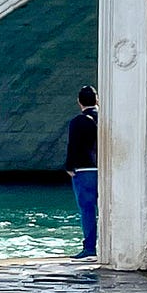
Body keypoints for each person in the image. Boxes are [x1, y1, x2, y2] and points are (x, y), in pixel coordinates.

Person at [64, 86, 99, 259]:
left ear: (79, 102)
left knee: (87, 209)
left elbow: (73, 146)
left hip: (84, 170)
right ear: (97, 99)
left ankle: (90, 246)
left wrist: (69, 167)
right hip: (104, 169)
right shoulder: (103, 117)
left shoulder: (77, 121)